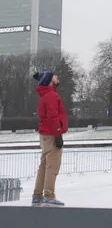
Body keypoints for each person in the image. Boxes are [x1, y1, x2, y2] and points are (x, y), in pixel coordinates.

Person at [31, 71, 68, 207]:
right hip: (52, 134)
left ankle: (37, 195)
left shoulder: (45, 95)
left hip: (45, 134)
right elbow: (53, 116)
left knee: (44, 166)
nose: (57, 76)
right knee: (52, 166)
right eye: (54, 76)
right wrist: (58, 134)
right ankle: (49, 195)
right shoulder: (51, 95)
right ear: (49, 81)